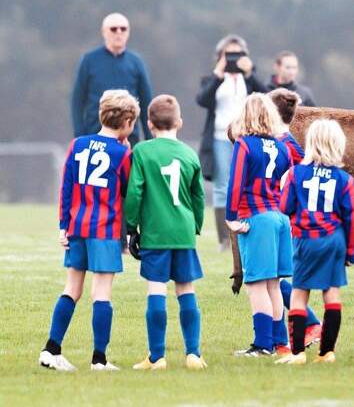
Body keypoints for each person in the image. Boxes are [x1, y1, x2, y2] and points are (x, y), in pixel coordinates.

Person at [39, 90, 137, 371]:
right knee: (102, 293)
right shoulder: (122, 152)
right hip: (104, 230)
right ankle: (99, 360)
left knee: (72, 288)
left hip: (77, 226)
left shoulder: (78, 144)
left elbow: (66, 188)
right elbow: (126, 192)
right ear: (128, 121)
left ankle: (51, 349)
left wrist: (63, 226)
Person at [124, 95, 207, 370]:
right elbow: (198, 197)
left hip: (156, 233)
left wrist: (130, 227)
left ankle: (157, 357)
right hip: (183, 232)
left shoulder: (142, 152)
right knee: (186, 290)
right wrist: (195, 225)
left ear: (149, 124)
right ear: (179, 122)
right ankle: (193, 353)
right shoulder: (189, 154)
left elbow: (135, 191)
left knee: (156, 290)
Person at [277, 119, 354, 365]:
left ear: (310, 144)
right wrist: (351, 252)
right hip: (333, 240)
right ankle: (327, 352)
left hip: (305, 239)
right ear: (338, 145)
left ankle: (298, 353)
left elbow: (284, 206)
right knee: (331, 294)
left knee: (299, 295)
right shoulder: (344, 179)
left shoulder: (294, 174)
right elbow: (351, 217)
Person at [226, 93, 293, 356]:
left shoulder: (244, 145)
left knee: (256, 285)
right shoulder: (282, 148)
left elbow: (236, 183)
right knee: (274, 285)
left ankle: (262, 344)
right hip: (279, 216)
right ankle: (280, 344)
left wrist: (231, 217)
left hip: (257, 218)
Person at [196, 35, 267, 251]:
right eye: (229, 54)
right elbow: (202, 99)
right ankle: (225, 240)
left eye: (238, 54)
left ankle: (247, 231)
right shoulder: (213, 78)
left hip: (247, 137)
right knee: (221, 187)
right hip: (219, 137)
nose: (234, 59)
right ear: (220, 56)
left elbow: (265, 96)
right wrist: (218, 74)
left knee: (246, 184)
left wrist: (249, 72)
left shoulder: (249, 79)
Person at [269, 88, 322, 347]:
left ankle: (310, 324)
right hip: (282, 219)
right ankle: (276, 336)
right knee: (273, 279)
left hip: (285, 221)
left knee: (274, 279)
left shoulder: (288, 148)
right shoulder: (286, 143)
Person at [71, 13, 152, 145]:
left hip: (128, 136)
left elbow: (145, 101)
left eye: (123, 29)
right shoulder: (89, 60)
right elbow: (78, 99)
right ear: (104, 32)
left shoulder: (136, 63)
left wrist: (149, 138)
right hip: (95, 134)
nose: (118, 32)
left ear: (128, 32)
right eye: (113, 29)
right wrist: (79, 134)